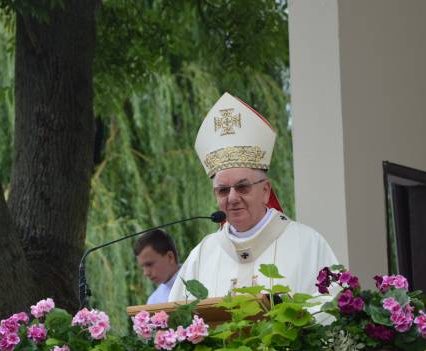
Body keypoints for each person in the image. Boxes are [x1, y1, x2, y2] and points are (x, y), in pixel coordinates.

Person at [168, 92, 338, 302]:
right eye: (223, 190)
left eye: (243, 187)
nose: (232, 198)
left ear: (265, 191)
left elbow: (333, 307)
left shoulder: (308, 244)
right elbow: (178, 321)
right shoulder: (203, 254)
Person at [133, 229, 180, 304]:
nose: (145, 273)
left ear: (170, 257)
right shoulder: (153, 302)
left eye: (149, 264)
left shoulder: (200, 277)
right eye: (142, 267)